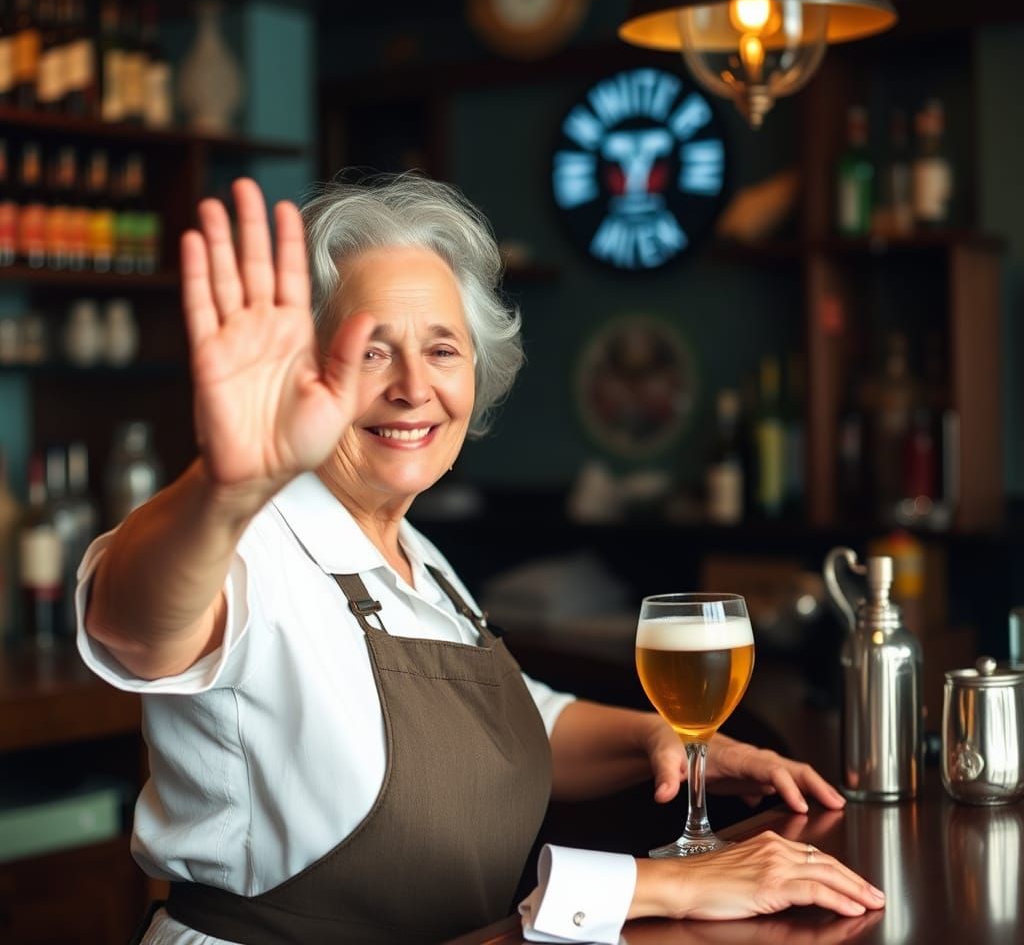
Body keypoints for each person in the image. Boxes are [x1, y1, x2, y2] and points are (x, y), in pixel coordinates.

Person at [77, 174, 885, 945]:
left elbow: (511, 722)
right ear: (300, 376)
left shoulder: (419, 559)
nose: (412, 387)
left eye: (442, 350)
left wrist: (662, 736)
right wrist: (224, 487)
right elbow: (136, 626)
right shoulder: (250, 541)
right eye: (370, 352)